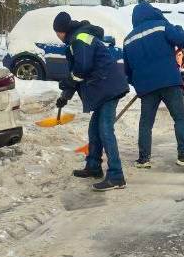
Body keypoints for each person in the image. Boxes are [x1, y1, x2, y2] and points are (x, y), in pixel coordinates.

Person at [54, 11, 130, 192]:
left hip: (107, 88)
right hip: (104, 88)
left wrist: (66, 82)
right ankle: (94, 167)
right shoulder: (77, 39)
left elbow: (82, 69)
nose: (57, 36)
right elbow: (78, 71)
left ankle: (116, 176)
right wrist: (65, 96)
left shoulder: (79, 39)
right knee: (94, 129)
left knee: (105, 129)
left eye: (57, 32)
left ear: (61, 30)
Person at [123, 2, 184, 170]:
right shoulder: (161, 26)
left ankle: (143, 159)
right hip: (169, 82)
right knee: (179, 118)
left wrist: (140, 83)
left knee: (146, 124)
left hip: (146, 88)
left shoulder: (128, 39)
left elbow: (127, 71)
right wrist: (181, 30)